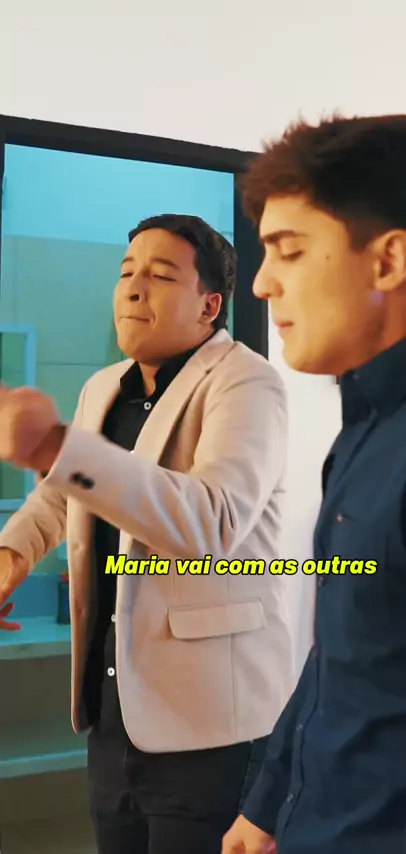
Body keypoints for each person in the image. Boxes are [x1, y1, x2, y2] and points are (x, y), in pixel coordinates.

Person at [222, 115, 406, 854]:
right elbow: (345, 651)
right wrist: (268, 805)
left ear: (390, 259)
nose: (263, 282)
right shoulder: (367, 422)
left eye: (290, 250)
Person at [0, 213, 295, 854]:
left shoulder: (246, 381)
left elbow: (212, 520)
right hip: (114, 710)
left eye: (161, 276)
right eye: (127, 273)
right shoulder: (102, 387)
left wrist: (54, 446)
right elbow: (63, 493)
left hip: (212, 722)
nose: (134, 288)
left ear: (210, 304)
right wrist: (11, 554)